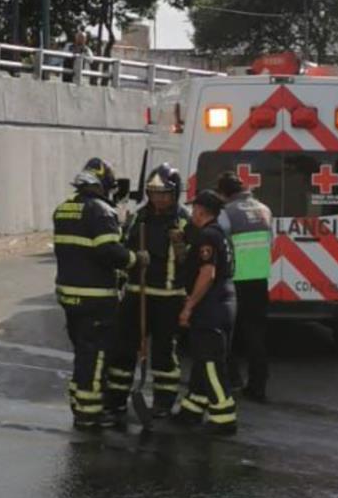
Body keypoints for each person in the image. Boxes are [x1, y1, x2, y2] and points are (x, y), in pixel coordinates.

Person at [53, 157, 145, 429]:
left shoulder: (63, 209)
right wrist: (135, 259)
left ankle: (79, 404)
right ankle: (90, 413)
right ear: (102, 185)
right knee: (95, 357)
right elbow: (109, 252)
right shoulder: (101, 211)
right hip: (95, 297)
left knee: (82, 352)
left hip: (69, 295)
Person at [103, 164, 189, 421]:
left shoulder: (183, 220)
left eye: (163, 193)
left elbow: (192, 262)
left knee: (164, 352)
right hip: (136, 293)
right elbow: (122, 249)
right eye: (153, 193)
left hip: (169, 297)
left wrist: (181, 245)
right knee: (123, 349)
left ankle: (163, 402)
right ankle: (116, 399)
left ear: (175, 194)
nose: (158, 198)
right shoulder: (139, 218)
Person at [173, 191, 238, 436]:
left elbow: (207, 274)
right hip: (224, 301)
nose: (191, 214)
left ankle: (224, 416)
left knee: (210, 362)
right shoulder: (219, 233)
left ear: (200, 210)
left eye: (193, 210)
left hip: (211, 305)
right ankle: (193, 408)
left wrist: (189, 306)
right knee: (202, 358)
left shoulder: (208, 237)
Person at [217, 171, 273, 403]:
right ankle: (258, 387)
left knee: (227, 333)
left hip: (234, 280)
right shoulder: (264, 209)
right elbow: (272, 241)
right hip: (259, 280)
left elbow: (219, 243)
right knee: (256, 336)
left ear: (225, 193)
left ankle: (232, 380)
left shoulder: (226, 213)